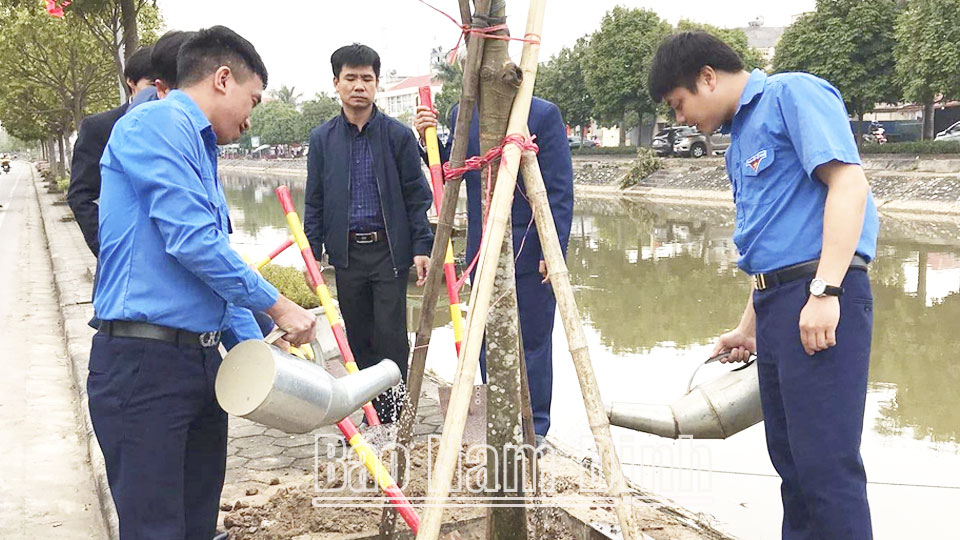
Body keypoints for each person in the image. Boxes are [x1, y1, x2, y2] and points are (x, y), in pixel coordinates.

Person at [88, 26, 316, 540]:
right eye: (251, 99)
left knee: (197, 526)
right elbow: (190, 242)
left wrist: (260, 356)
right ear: (221, 78)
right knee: (156, 529)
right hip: (144, 366)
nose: (251, 115)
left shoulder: (202, 150)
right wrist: (279, 305)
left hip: (198, 363)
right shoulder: (156, 123)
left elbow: (214, 274)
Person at [648, 31, 878, 539]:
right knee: (792, 466)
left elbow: (849, 184)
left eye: (678, 103)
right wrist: (749, 326)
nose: (680, 118)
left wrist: (826, 292)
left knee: (826, 466)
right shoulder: (738, 139)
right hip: (778, 305)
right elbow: (773, 240)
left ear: (708, 76)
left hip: (818, 298)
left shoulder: (792, 94)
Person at [413, 95, 574, 443]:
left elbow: (560, 189)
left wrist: (553, 247)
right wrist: (427, 138)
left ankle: (536, 429)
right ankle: (497, 419)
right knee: (485, 340)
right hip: (482, 249)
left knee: (532, 342)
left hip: (530, 251)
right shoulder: (463, 111)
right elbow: (450, 169)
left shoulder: (542, 114)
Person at [304, 43, 434, 424]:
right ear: (336, 83)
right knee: (357, 337)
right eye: (351, 78)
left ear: (377, 84)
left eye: (367, 78)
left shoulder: (397, 136)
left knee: (391, 336)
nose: (359, 85)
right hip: (346, 255)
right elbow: (314, 201)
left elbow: (416, 195)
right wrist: (312, 252)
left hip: (389, 253)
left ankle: (395, 417)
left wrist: (422, 246)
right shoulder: (322, 140)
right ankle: (373, 414)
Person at [68, 45, 155, 256]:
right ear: (131, 82)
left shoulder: (179, 127)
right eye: (152, 85)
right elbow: (81, 196)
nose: (159, 93)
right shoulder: (100, 128)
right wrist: (109, 249)